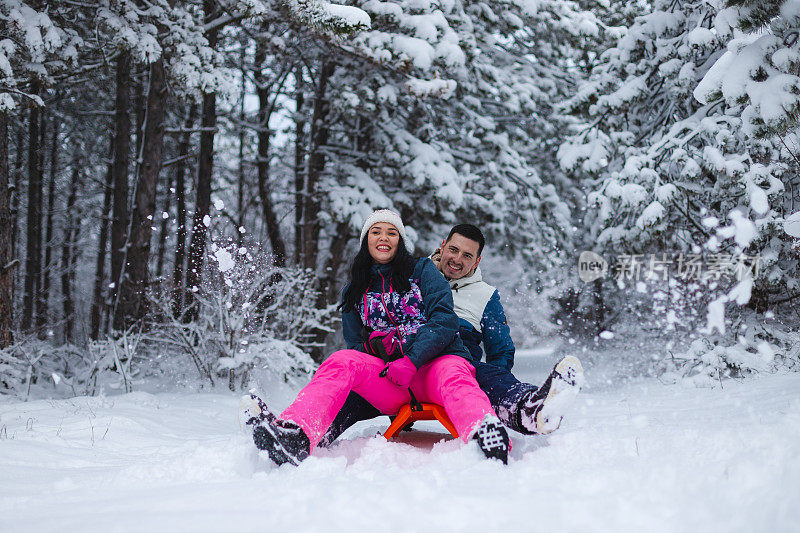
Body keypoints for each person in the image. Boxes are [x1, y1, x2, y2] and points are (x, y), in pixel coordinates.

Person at [240, 210, 511, 466]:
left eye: (392, 232)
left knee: (455, 370)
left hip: (432, 370)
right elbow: (355, 345)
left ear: (401, 241)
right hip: (390, 380)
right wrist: (374, 346)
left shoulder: (424, 271)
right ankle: (296, 434)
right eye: (376, 231)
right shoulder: (354, 290)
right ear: (365, 240)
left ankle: (484, 433)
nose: (383, 238)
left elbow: (445, 321)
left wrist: (412, 359)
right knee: (342, 361)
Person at [316, 224, 583, 448]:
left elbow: (501, 351)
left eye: (467, 256)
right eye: (453, 250)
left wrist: (485, 388)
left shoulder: (485, 297)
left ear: (477, 261)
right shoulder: (410, 274)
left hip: (455, 362)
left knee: (487, 376)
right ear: (442, 246)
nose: (457, 259)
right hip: (401, 364)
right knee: (354, 392)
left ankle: (529, 409)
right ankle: (312, 432)